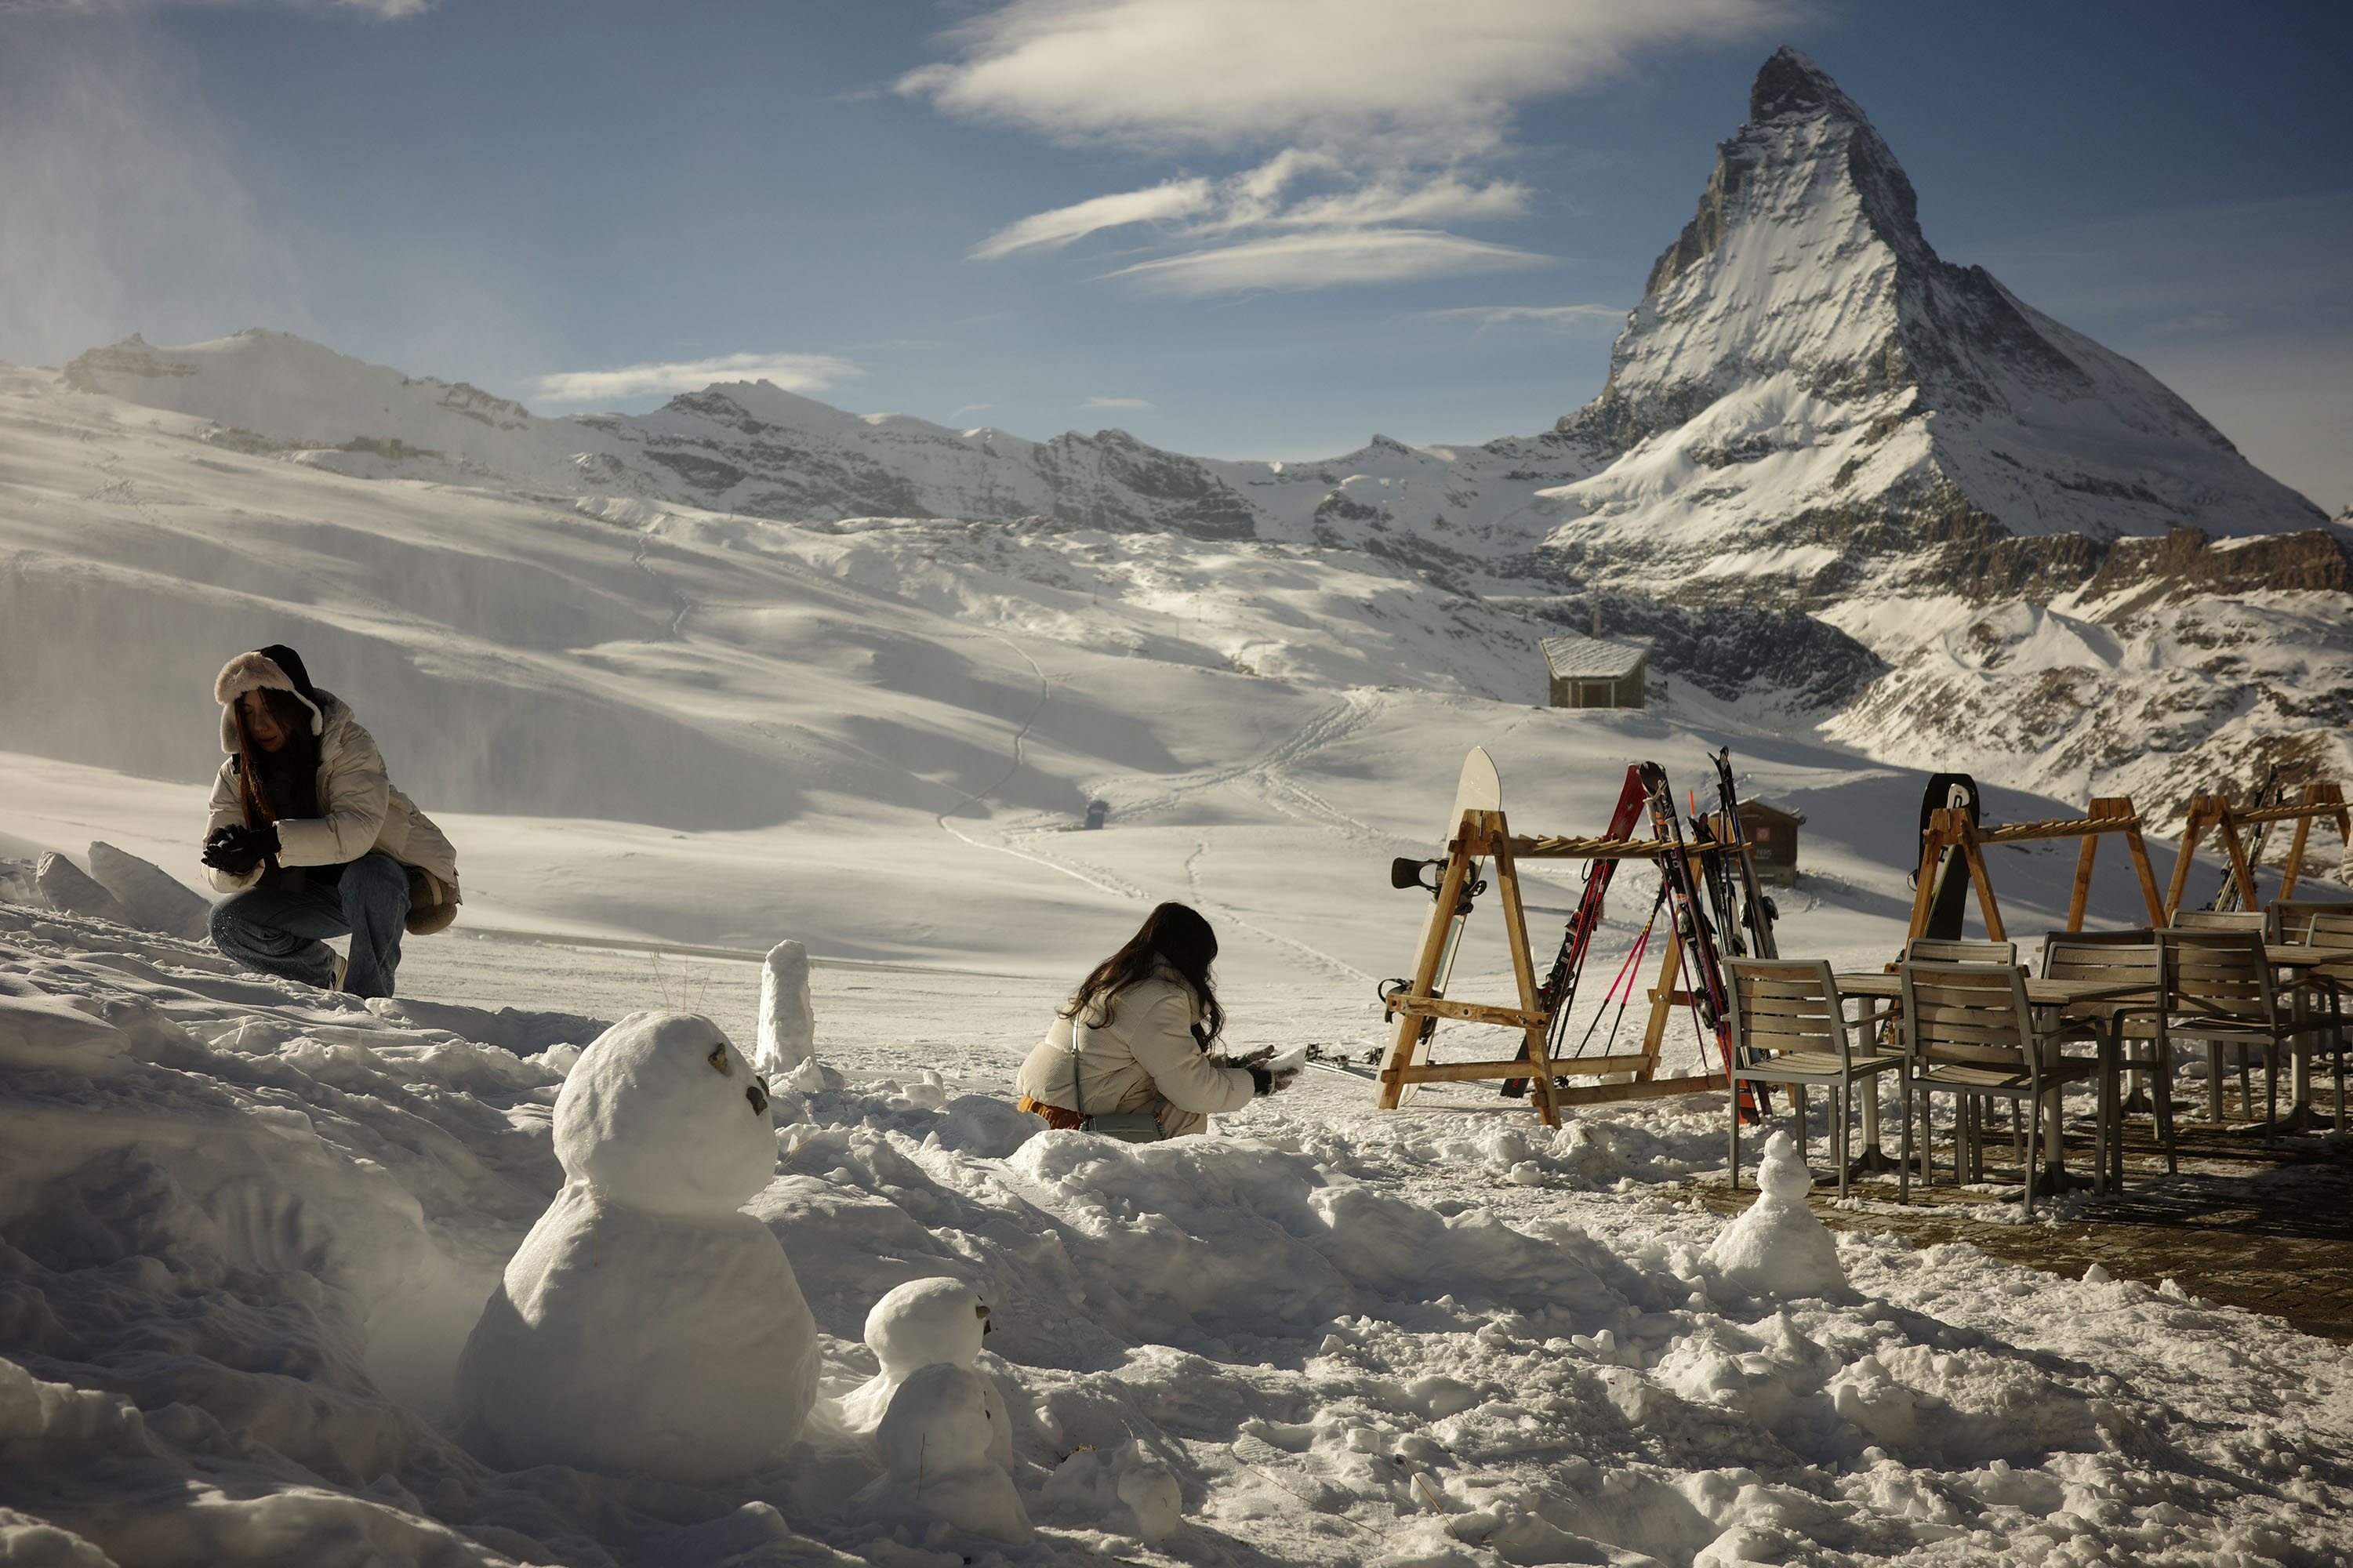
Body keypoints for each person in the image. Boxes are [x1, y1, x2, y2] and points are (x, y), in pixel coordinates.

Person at [200, 645, 461, 997]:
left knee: (373, 875)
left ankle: (368, 1003)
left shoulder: (346, 745)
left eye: (271, 708)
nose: (259, 724)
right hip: (309, 894)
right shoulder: (236, 773)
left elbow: (356, 831)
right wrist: (231, 862)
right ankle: (327, 974)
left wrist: (271, 841)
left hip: (377, 886)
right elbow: (214, 860)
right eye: (247, 712)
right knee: (227, 923)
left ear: (296, 705)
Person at [1015, 902, 1295, 1140]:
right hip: (1070, 1127)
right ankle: (1167, 1187)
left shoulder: (1115, 983)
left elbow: (1159, 1063)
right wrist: (1257, 1082)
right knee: (1184, 1111)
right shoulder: (1158, 997)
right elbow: (1192, 1091)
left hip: (1033, 1117)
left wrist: (1230, 1067)